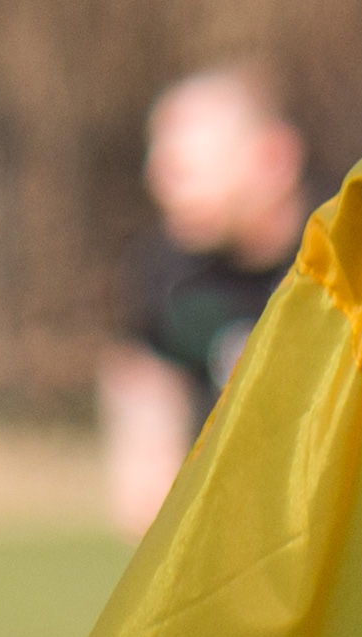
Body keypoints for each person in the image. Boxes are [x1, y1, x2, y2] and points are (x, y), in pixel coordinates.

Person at [101, 65, 312, 535]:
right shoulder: (166, 274)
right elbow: (143, 392)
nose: (159, 185)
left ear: (275, 159)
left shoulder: (346, 255)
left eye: (184, 170)